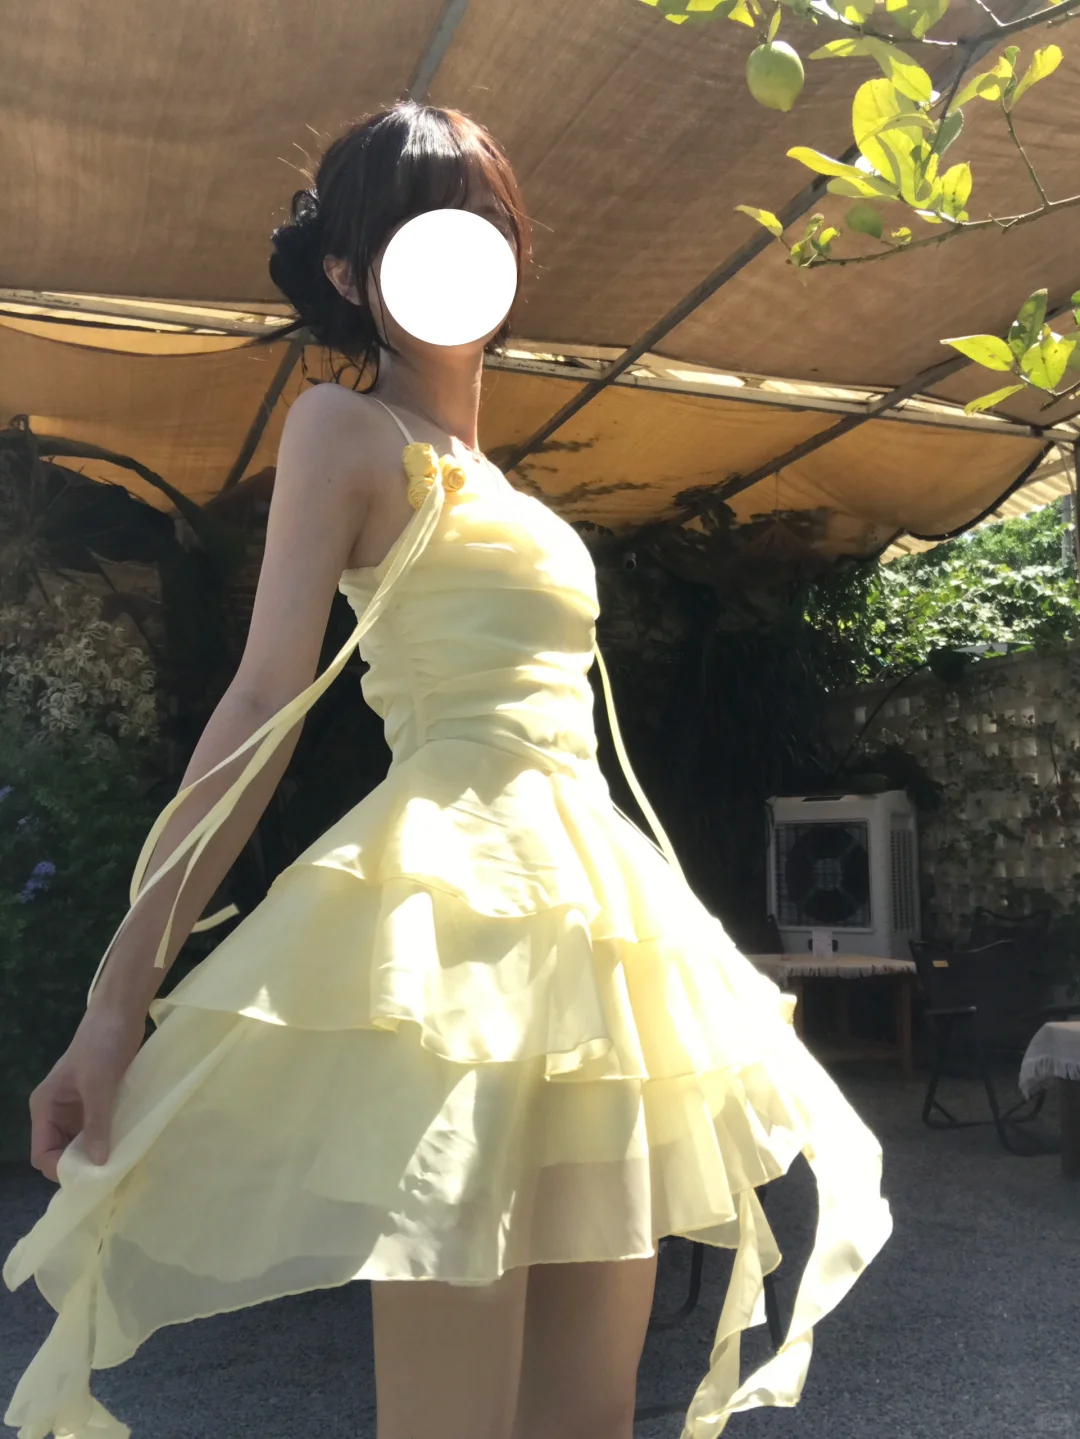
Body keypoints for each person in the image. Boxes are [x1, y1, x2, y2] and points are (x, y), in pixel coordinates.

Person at [3, 102, 891, 1439]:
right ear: (351, 271)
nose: (459, 245)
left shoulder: (502, 482)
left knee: (590, 1418)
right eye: (418, 223)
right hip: (459, 933)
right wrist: (116, 1000)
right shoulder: (345, 429)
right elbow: (264, 697)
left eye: (480, 217)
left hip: (591, 935)